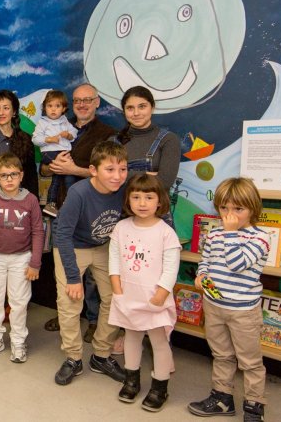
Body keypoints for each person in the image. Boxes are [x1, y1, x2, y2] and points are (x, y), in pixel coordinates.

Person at [188, 177, 269, 421]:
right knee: (221, 355)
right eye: (224, 208)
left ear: (253, 208)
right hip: (215, 306)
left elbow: (236, 264)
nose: (229, 214)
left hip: (244, 311)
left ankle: (254, 406)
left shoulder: (260, 238)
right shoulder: (214, 235)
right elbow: (206, 260)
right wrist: (202, 276)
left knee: (250, 362)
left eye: (238, 209)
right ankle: (223, 398)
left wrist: (231, 233)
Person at [41, 83, 116, 333]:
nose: (82, 105)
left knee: (94, 274)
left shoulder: (107, 134)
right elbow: (42, 167)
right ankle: (66, 317)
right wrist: (52, 167)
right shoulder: (62, 125)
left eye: (87, 100)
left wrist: (74, 170)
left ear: (97, 102)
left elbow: (109, 174)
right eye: (77, 100)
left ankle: (94, 320)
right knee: (63, 264)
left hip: (93, 211)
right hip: (62, 206)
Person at [52, 141, 128, 386]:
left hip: (103, 246)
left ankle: (101, 355)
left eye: (122, 169)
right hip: (71, 245)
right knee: (70, 301)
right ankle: (73, 357)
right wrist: (74, 278)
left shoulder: (124, 188)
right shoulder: (79, 193)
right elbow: (62, 234)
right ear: (93, 170)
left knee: (114, 298)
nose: (117, 176)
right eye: (110, 170)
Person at [108, 174, 181, 412]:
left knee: (159, 341)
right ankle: (132, 380)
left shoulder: (165, 232)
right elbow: (115, 260)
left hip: (154, 298)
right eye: (136, 197)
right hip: (127, 296)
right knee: (132, 337)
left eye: (149, 197)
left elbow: (171, 267)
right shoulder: (121, 227)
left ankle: (160, 386)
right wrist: (117, 288)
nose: (142, 203)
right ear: (128, 199)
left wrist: (161, 294)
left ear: (159, 201)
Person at [0, 89, 38, 326]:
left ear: (14, 111)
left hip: (21, 206)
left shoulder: (24, 139)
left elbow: (30, 174)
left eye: (5, 108)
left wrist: (31, 203)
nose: (1, 112)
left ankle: (16, 306)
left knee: (18, 254)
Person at [0, 153, 44, 362]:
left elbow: (38, 232)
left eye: (13, 174)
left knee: (19, 301)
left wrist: (35, 263)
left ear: (21, 175)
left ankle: (18, 340)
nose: (9, 179)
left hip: (21, 258)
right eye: (4, 175)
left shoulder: (31, 200)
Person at [113, 85, 180, 191]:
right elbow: (106, 178)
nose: (136, 113)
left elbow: (165, 182)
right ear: (124, 111)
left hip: (156, 206)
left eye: (142, 106)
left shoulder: (168, 140)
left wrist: (123, 173)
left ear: (152, 107)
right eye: (130, 108)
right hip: (120, 205)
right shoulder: (113, 142)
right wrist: (148, 174)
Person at [32, 90, 77, 218]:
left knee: (61, 177)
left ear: (63, 109)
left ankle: (52, 204)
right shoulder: (43, 122)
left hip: (63, 152)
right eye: (49, 106)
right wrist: (49, 139)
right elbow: (35, 139)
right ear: (44, 108)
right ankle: (60, 203)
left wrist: (68, 135)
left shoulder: (65, 121)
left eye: (57, 106)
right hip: (49, 153)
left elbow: (74, 133)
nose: (53, 109)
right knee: (66, 171)